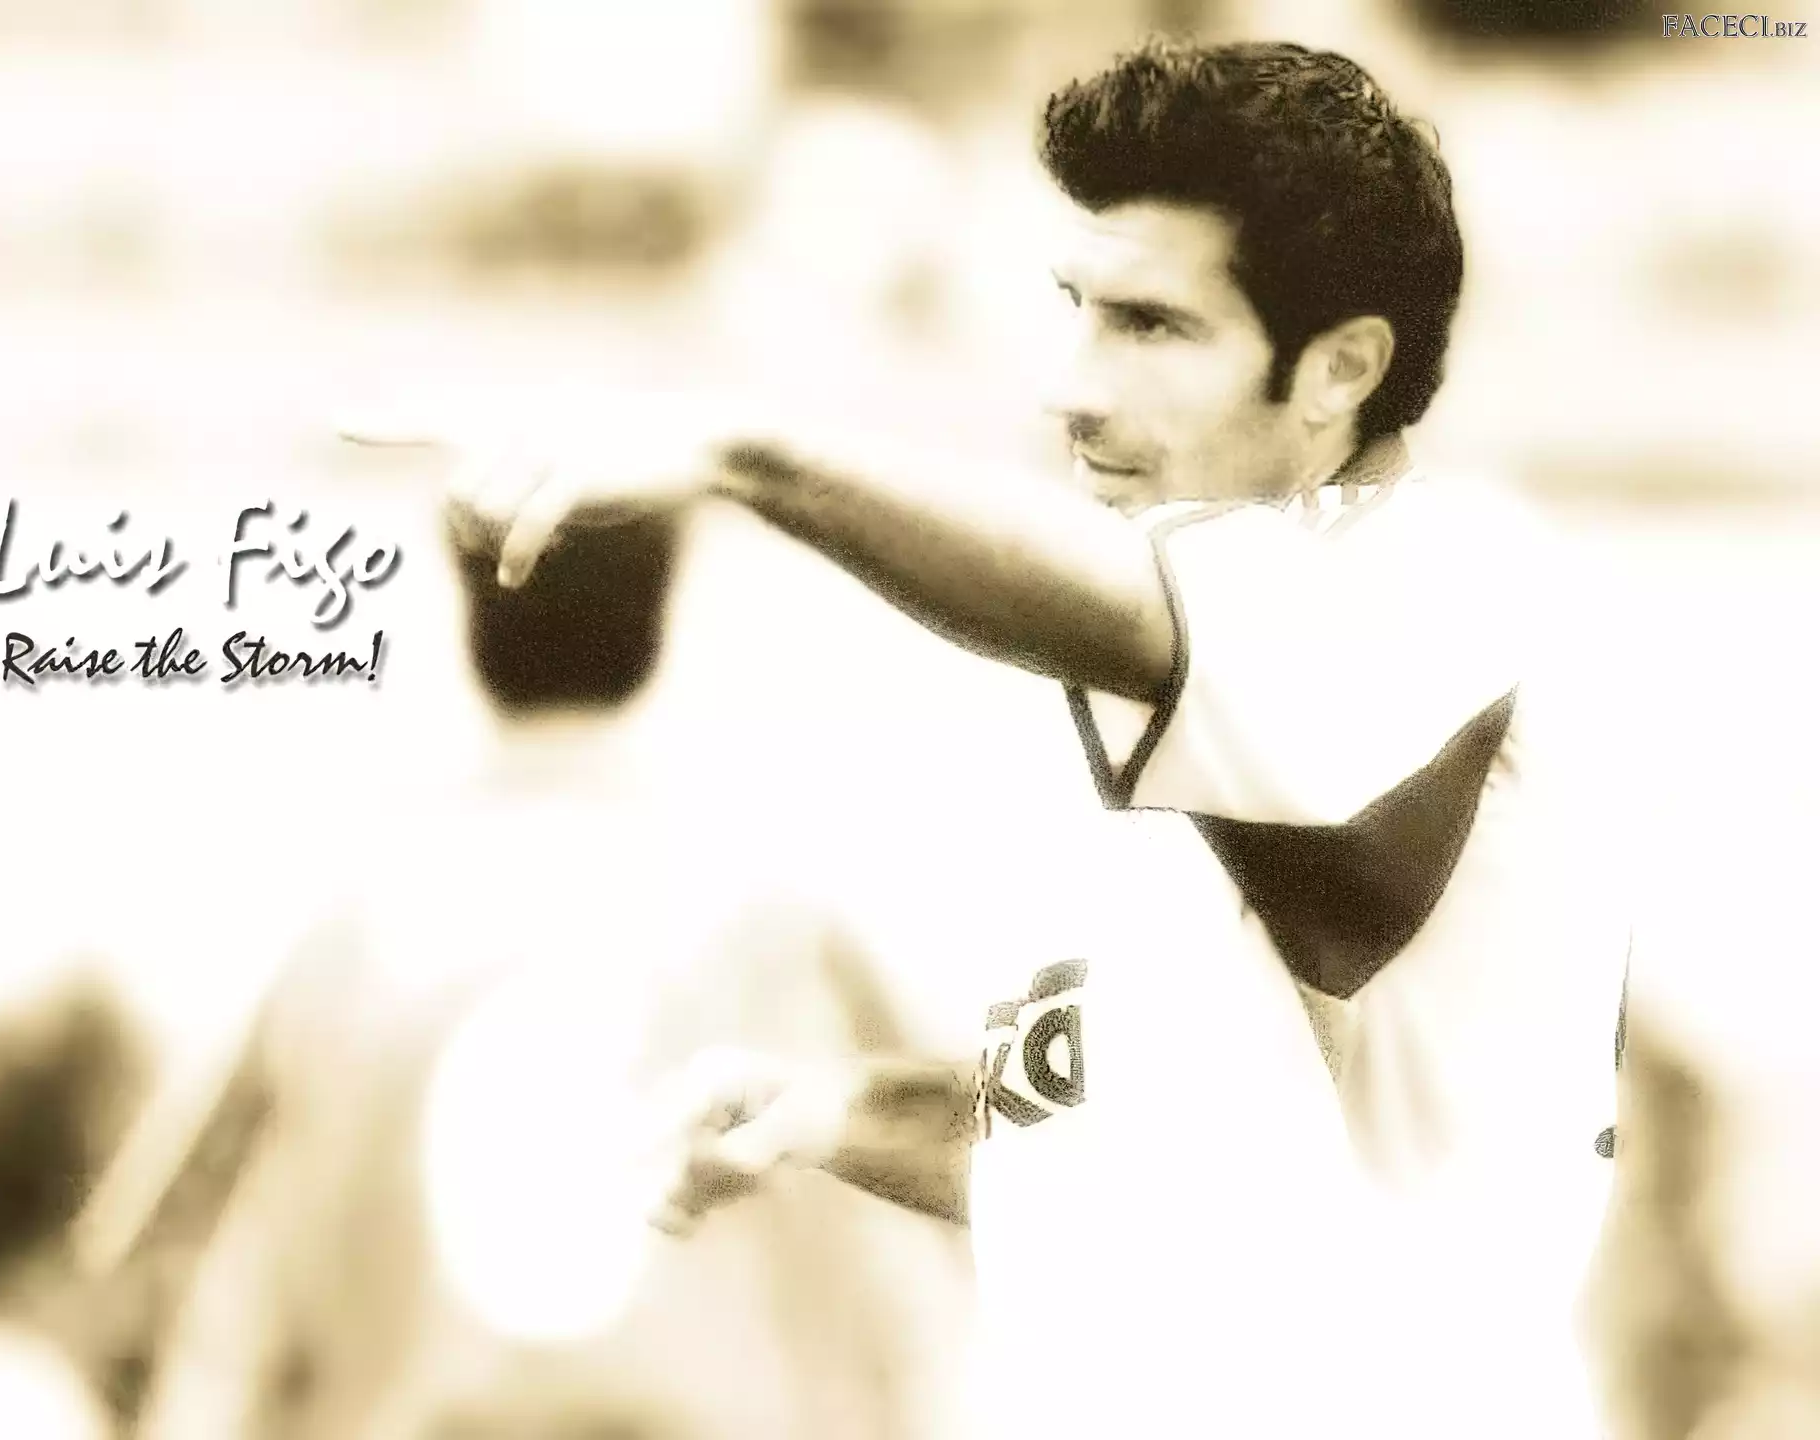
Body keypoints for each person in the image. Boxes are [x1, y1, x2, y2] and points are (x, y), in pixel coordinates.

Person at [349, 33, 1633, 1439]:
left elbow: (1123, 609)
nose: (1071, 387)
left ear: (1342, 368)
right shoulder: (1203, 704)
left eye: (1152, 327)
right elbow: (1136, 1161)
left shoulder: (1446, 589)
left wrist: (741, 453)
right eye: (1076, 308)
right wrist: (842, 1111)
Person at [102, 514, 974, 1440]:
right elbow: (922, 1256)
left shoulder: (351, 924)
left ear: (471, 610)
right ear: (658, 609)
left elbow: (199, 1280)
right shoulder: (774, 916)